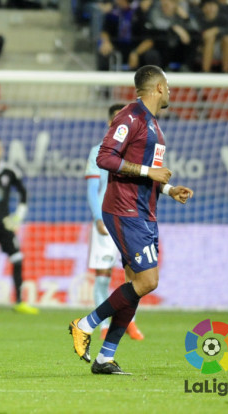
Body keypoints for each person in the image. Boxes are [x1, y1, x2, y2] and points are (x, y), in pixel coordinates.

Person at [69, 65, 193, 375]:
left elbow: (145, 171)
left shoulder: (153, 125)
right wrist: (149, 172)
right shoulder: (130, 117)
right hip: (125, 210)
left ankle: (104, 358)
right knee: (148, 281)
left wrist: (167, 188)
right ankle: (84, 324)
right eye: (168, 85)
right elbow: (105, 157)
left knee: (135, 283)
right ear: (159, 87)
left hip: (144, 210)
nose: (171, 91)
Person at [85, 103, 144, 341]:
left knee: (135, 275)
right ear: (113, 123)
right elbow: (92, 189)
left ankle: (130, 322)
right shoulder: (97, 151)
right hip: (106, 220)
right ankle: (104, 326)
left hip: (130, 220)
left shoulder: (136, 152)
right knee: (103, 275)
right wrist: (98, 217)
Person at [0, 137, 39, 315]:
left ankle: (19, 301)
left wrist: (18, 217)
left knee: (17, 258)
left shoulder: (10, 171)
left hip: (5, 224)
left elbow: (24, 193)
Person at [197, 0, 228, 73]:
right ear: (203, 8)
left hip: (220, 49)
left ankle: (226, 72)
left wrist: (216, 30)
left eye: (213, 5)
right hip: (201, 48)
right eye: (208, 5)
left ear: (217, 7)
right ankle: (205, 71)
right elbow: (194, 35)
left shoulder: (223, 18)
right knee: (210, 38)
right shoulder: (198, 19)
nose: (211, 8)